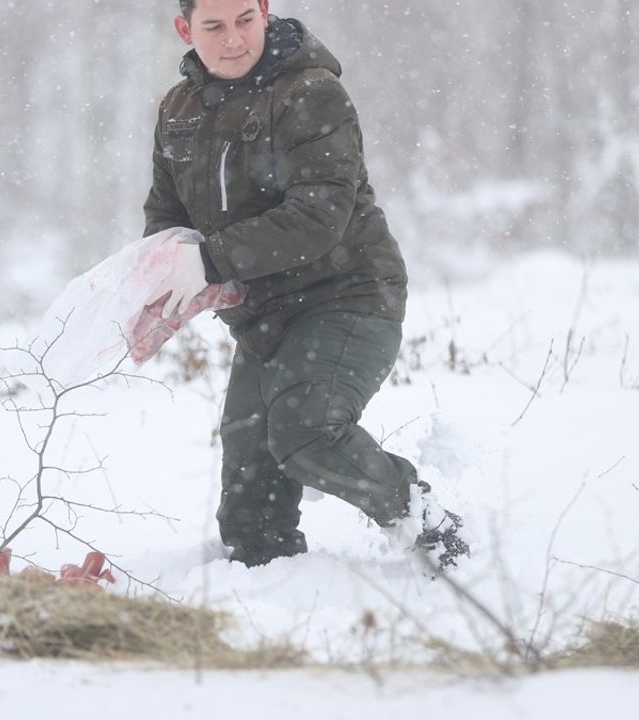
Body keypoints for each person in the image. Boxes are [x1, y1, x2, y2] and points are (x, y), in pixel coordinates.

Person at [142, 0, 468, 568]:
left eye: (245, 19)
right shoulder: (179, 110)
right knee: (249, 522)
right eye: (214, 27)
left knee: (305, 432)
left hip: (349, 297)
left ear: (265, 11)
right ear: (184, 30)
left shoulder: (310, 93)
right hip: (263, 321)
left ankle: (428, 521)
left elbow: (319, 216)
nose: (235, 39)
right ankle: (278, 607)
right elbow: (167, 219)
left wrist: (213, 260)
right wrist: (158, 283)